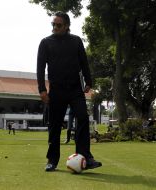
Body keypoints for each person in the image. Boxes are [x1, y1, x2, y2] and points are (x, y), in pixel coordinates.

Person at [37, 11, 102, 172]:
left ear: (66, 26)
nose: (55, 27)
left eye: (58, 25)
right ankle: (52, 160)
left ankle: (85, 156)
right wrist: (42, 90)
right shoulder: (45, 43)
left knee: (82, 117)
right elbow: (40, 68)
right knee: (55, 126)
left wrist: (89, 81)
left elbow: (84, 62)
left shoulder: (76, 41)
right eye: (53, 24)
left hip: (74, 89)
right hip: (56, 90)